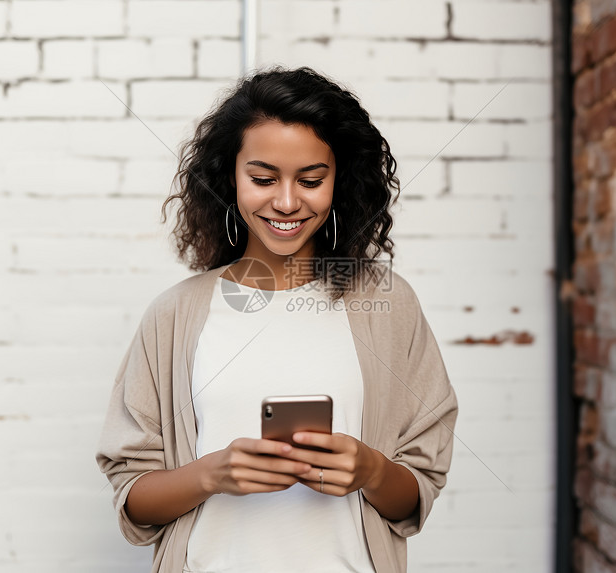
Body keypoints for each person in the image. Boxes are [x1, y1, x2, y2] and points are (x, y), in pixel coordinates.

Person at [96, 65, 459, 573]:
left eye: (311, 180)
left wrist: (372, 469)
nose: (287, 202)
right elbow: (132, 497)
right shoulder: (174, 315)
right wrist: (212, 474)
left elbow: (416, 491)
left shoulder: (389, 304)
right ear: (230, 176)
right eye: (263, 178)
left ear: (340, 181)